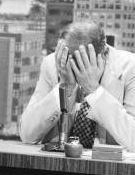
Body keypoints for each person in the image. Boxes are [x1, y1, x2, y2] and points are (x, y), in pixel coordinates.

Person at [19, 20, 135, 149]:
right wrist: (64, 88)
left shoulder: (130, 68)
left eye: (80, 60)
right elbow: (27, 135)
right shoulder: (54, 63)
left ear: (104, 54)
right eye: (67, 56)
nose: (70, 65)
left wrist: (94, 91)